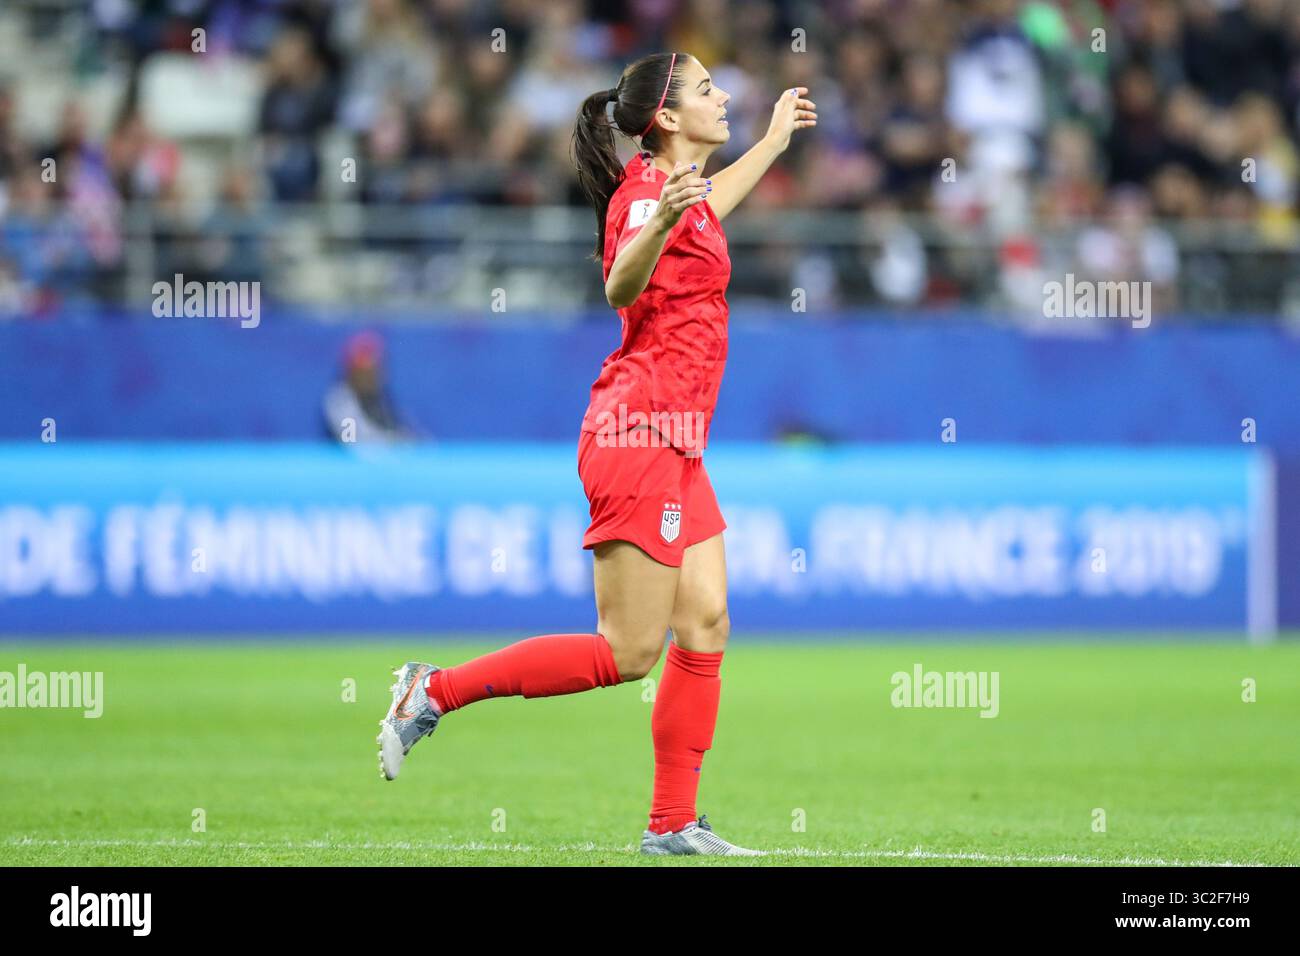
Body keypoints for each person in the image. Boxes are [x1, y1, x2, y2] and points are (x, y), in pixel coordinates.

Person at [375, 52, 815, 857]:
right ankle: (432, 690)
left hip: (677, 439)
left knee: (708, 621)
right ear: (670, 118)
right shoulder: (644, 195)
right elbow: (619, 283)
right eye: (709, 91)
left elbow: (705, 204)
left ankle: (672, 824)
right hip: (636, 432)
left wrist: (773, 146)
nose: (726, 100)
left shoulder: (681, 191)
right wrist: (659, 223)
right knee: (627, 653)